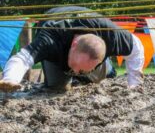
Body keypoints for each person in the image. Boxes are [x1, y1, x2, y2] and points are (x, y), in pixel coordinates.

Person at [0, 6, 144, 92]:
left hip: (95, 45)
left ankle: (106, 69)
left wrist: (134, 85)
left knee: (96, 78)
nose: (75, 71)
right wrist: (10, 79)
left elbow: (136, 48)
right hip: (57, 51)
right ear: (74, 44)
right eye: (75, 66)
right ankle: (74, 71)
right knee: (57, 88)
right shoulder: (50, 38)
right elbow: (22, 59)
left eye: (80, 70)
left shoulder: (112, 35)